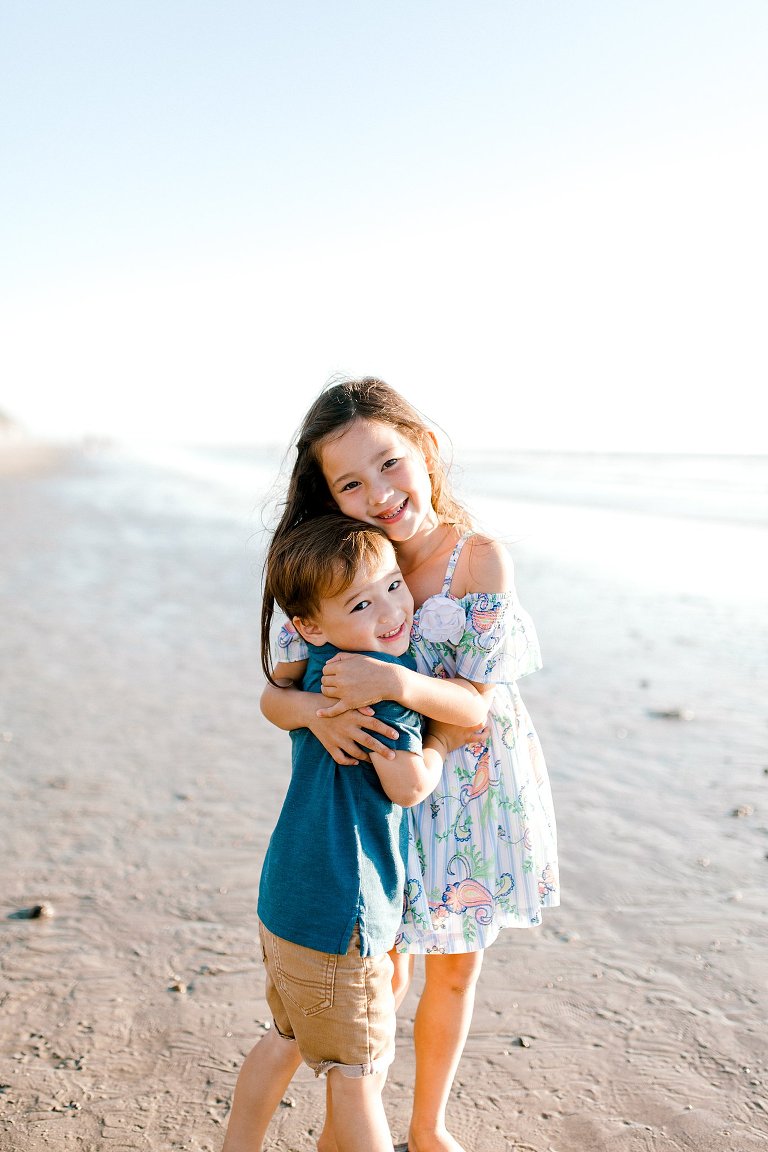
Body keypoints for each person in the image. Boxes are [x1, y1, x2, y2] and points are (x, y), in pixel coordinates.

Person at [260, 377, 559, 1152]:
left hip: (468, 785)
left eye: (390, 463)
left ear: (424, 449)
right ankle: (351, 1127)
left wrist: (394, 683)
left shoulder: (477, 560)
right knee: (379, 970)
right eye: (351, 483)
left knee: (454, 969)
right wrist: (315, 715)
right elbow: (277, 693)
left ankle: (428, 1127)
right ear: (329, 495)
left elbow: (476, 705)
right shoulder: (345, 560)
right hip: (377, 801)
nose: (380, 494)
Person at [222, 514, 462, 1152]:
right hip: (344, 911)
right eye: (362, 604)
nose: (391, 610)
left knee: (286, 1037)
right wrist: (442, 743)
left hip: (286, 898)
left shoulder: (315, 668)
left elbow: (275, 702)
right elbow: (407, 785)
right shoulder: (383, 683)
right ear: (310, 625)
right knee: (357, 1076)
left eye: (393, 586)